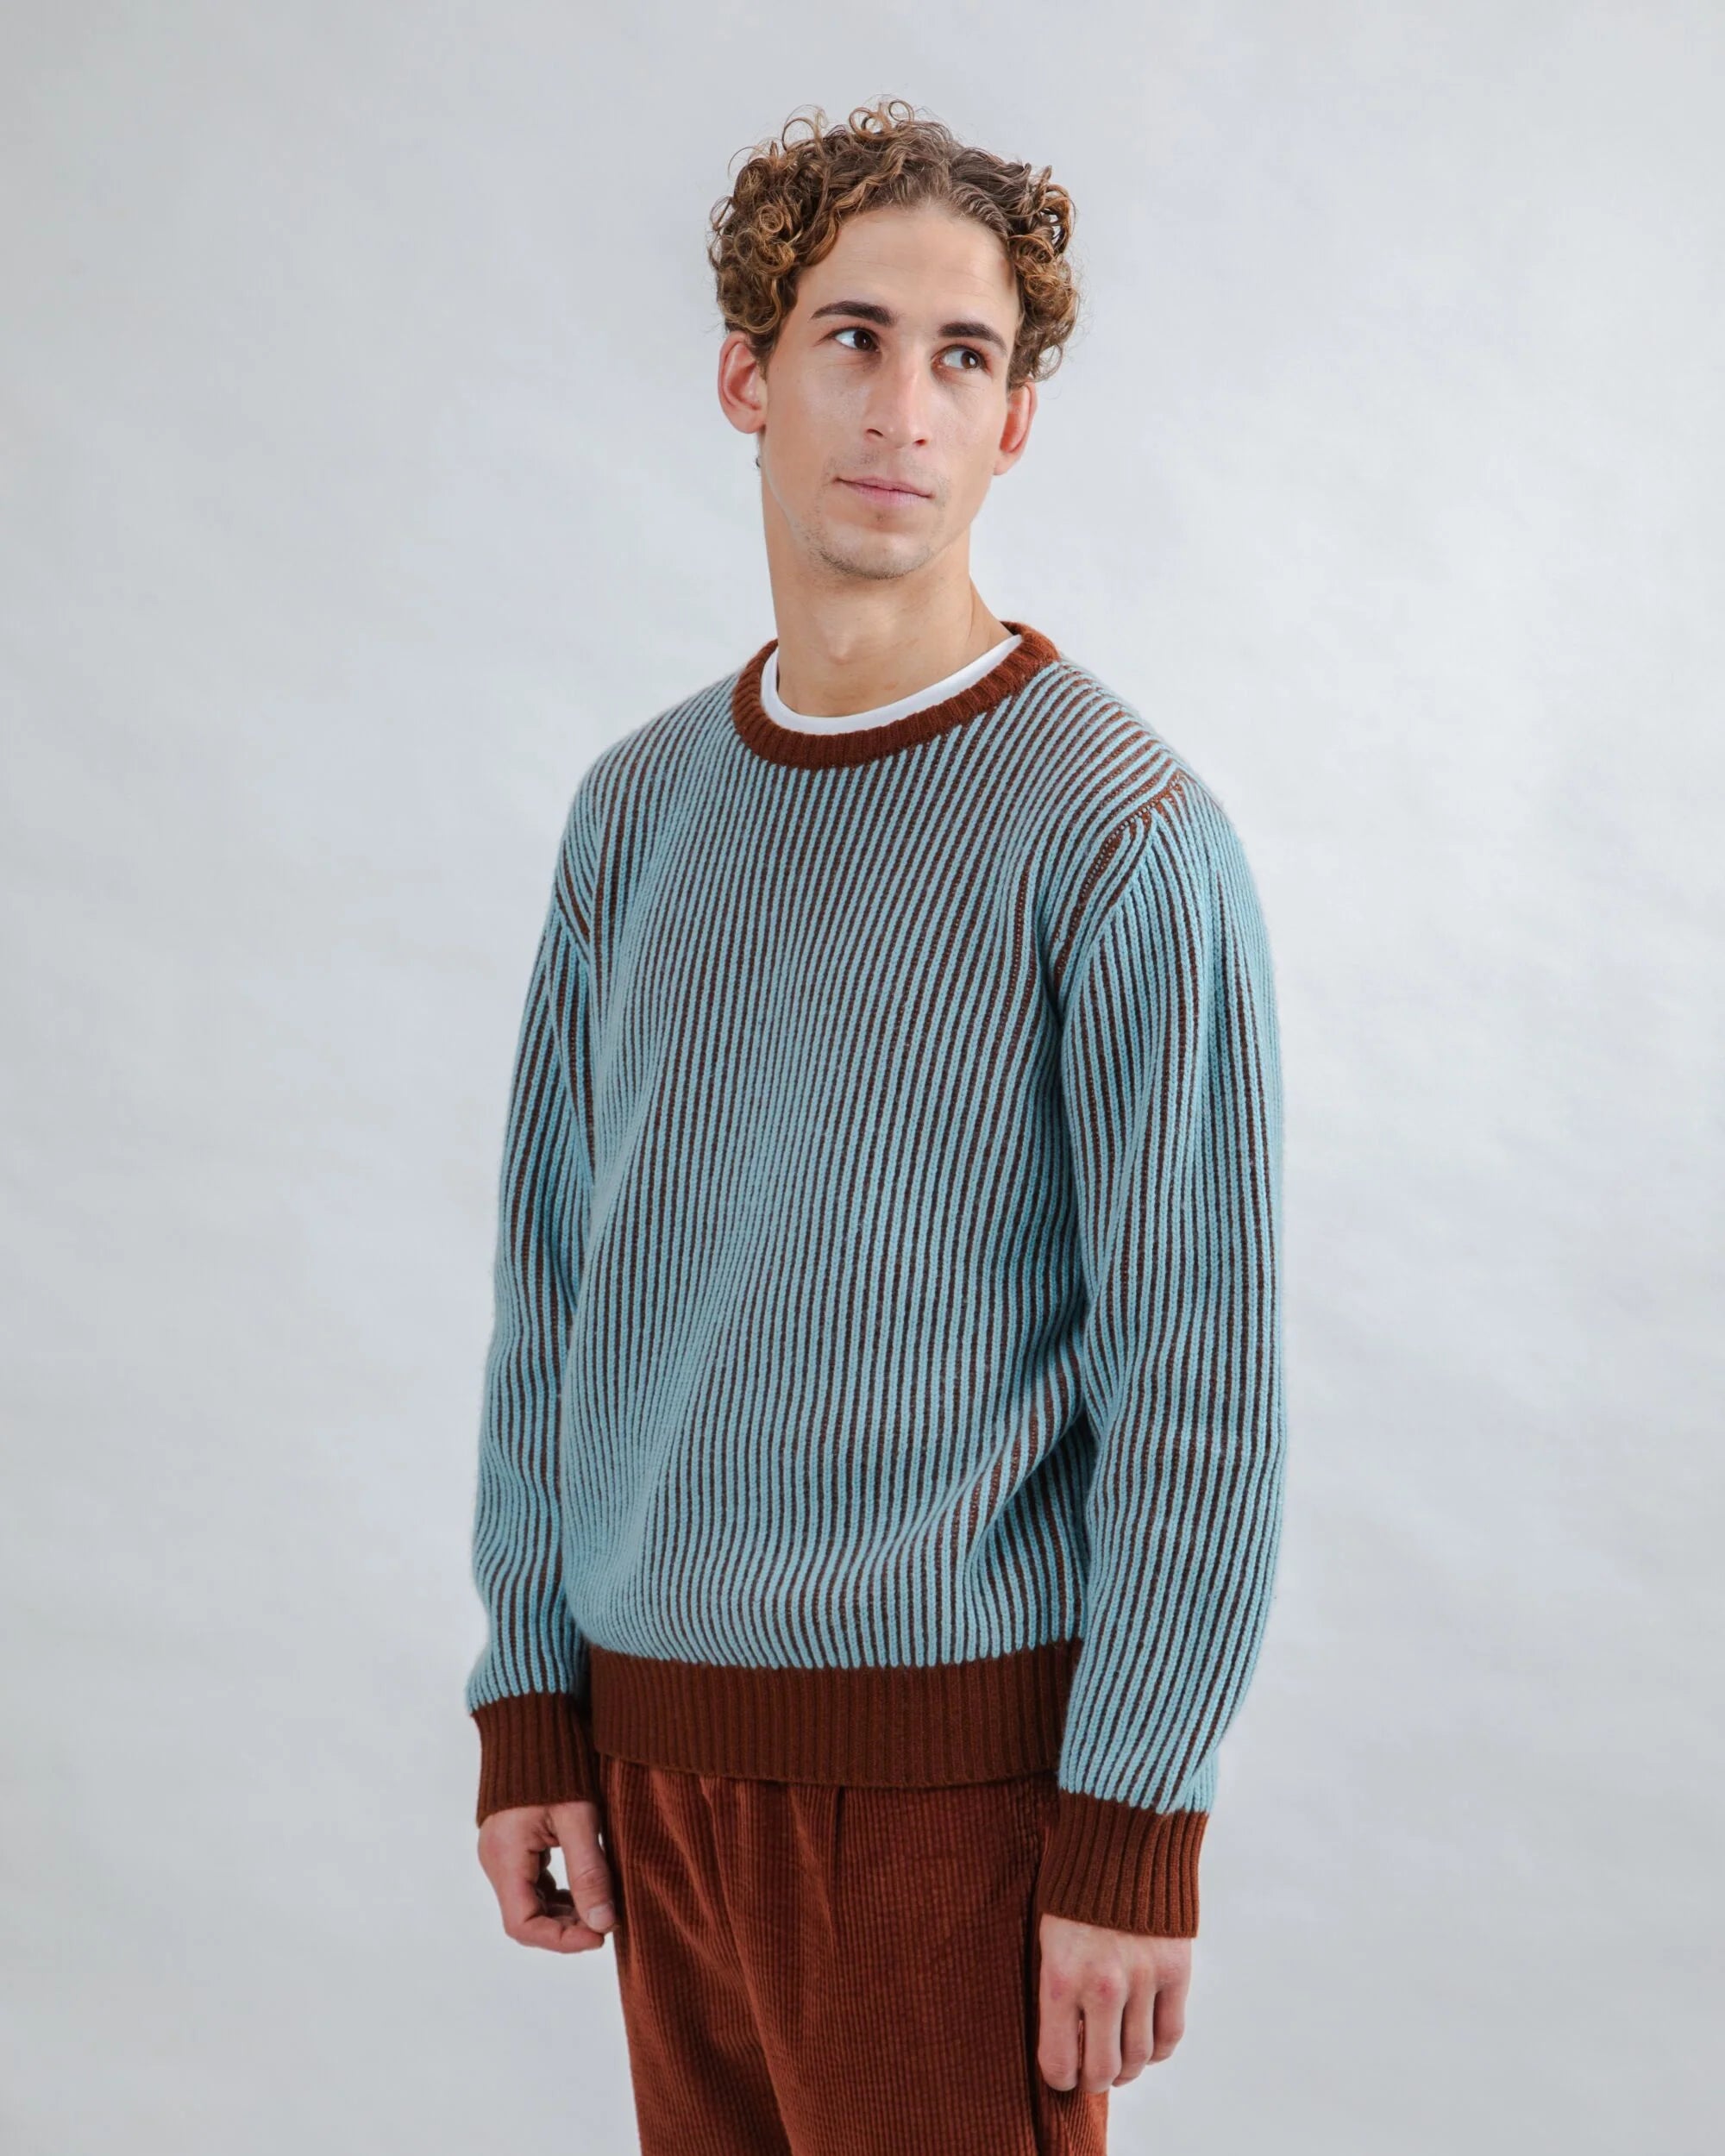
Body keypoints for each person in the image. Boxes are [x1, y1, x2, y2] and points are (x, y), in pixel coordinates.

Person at [463, 96, 1287, 2156]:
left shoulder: (1121, 840)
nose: (901, 406)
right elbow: (553, 1283)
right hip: (650, 1761)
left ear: (1013, 423)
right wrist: (528, 1695)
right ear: (747, 378)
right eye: (851, 337)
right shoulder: (636, 814)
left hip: (952, 1793)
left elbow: (1196, 1381)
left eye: (961, 354)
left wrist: (1132, 1817)